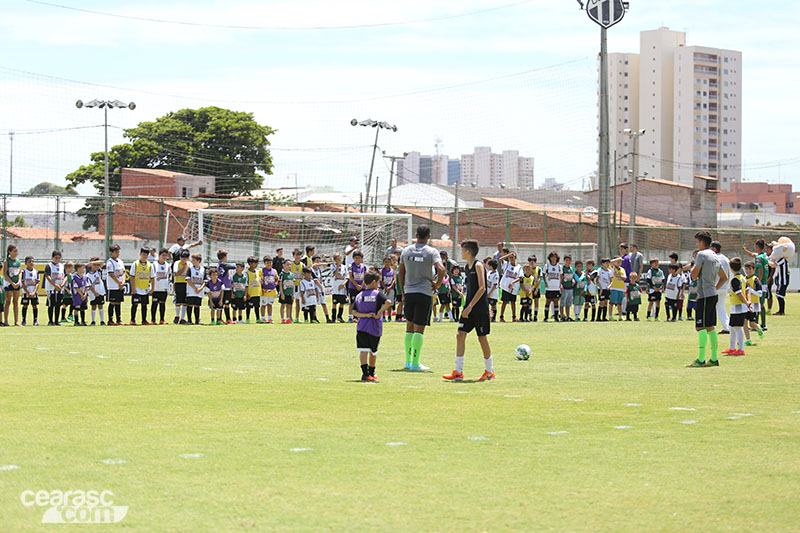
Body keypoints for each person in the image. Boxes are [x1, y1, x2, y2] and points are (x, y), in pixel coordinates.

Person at [443, 239, 494, 381]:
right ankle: (458, 371)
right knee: (460, 335)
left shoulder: (478, 266)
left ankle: (489, 371)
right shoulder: (466, 267)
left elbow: (482, 288)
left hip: (479, 308)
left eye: (462, 249)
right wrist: (467, 306)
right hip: (468, 308)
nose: (461, 252)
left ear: (468, 251)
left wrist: (470, 306)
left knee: (481, 338)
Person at [398, 225, 445, 371]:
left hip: (410, 292)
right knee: (419, 329)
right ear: (429, 236)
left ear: (416, 235)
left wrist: (404, 290)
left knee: (409, 328)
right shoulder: (432, 251)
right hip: (424, 293)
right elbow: (442, 269)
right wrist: (437, 284)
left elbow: (401, 272)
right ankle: (415, 362)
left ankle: (407, 361)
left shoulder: (406, 250)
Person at [687, 231, 727, 368]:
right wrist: (714, 288)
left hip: (704, 296)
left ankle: (701, 359)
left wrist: (693, 265)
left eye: (697, 242)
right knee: (710, 326)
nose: (697, 245)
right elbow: (724, 277)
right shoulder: (715, 256)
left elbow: (693, 276)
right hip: (712, 295)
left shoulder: (701, 254)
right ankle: (714, 358)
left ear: (702, 242)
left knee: (700, 327)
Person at [351, 271, 392, 382]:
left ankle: (365, 374)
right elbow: (388, 302)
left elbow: (353, 312)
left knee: (363, 350)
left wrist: (365, 315)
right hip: (374, 327)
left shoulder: (359, 295)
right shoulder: (376, 293)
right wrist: (379, 312)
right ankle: (372, 372)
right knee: (373, 351)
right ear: (374, 282)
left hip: (361, 326)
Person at [721, 257, 750, 357]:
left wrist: (747, 303)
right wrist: (748, 301)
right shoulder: (743, 278)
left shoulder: (735, 280)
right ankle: (732, 348)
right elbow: (747, 290)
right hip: (736, 307)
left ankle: (741, 349)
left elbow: (740, 294)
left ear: (731, 268)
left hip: (739, 307)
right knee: (731, 327)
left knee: (737, 328)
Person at [742, 239, 769, 330]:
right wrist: (745, 250)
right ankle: (757, 324)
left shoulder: (759, 258)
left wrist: (758, 283)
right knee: (759, 303)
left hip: (761, 282)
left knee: (760, 303)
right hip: (764, 282)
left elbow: (760, 271)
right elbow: (752, 254)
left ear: (757, 246)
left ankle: (761, 325)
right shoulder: (764, 255)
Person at [129, 247, 155, 325]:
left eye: (146, 254)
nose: (145, 256)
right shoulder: (135, 264)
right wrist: (133, 288)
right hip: (137, 288)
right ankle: (132, 320)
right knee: (135, 304)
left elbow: (152, 278)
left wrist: (152, 288)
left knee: (144, 305)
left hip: (145, 289)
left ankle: (144, 320)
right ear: (140, 254)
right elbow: (132, 276)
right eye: (143, 254)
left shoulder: (150, 265)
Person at [710, 241, 731, 334]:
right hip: (724, 286)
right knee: (721, 307)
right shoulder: (726, 258)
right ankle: (727, 327)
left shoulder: (714, 258)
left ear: (714, 248)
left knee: (710, 307)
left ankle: (710, 327)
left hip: (716, 285)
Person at [743, 261, 764, 346]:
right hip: (746, 305)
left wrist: (751, 291)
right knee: (744, 322)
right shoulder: (743, 279)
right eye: (746, 269)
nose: (748, 271)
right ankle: (748, 340)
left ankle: (758, 328)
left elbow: (760, 293)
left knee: (752, 324)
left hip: (754, 305)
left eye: (750, 269)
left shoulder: (756, 280)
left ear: (754, 270)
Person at [499, 251, 523, 322]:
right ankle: (501, 317)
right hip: (506, 287)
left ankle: (514, 317)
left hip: (513, 288)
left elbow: (520, 277)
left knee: (513, 302)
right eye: (510, 258)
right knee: (505, 302)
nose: (511, 259)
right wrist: (508, 254)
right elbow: (500, 259)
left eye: (512, 257)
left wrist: (513, 282)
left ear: (515, 258)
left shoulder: (519, 267)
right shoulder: (507, 264)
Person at [149, 249, 170, 325]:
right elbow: (151, 276)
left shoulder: (167, 265)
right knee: (154, 304)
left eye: (166, 255)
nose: (164, 257)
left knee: (162, 304)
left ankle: (162, 319)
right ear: (159, 255)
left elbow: (169, 275)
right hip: (156, 288)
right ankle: (153, 320)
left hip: (164, 288)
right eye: (163, 255)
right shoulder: (154, 265)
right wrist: (152, 287)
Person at [105, 244, 125, 326]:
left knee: (118, 302)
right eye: (116, 252)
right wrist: (118, 282)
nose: (118, 254)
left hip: (120, 286)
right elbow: (111, 274)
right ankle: (110, 320)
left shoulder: (120, 261)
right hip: (113, 286)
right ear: (111, 253)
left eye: (118, 252)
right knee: (112, 302)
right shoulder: (110, 262)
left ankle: (119, 319)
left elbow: (123, 272)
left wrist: (123, 282)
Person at [44, 250, 65, 326]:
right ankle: (50, 321)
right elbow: (48, 276)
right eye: (56, 258)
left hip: (60, 289)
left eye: (59, 258)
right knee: (51, 305)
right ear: (52, 257)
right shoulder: (49, 266)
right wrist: (55, 285)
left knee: (58, 305)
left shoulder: (62, 266)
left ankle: (56, 320)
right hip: (51, 289)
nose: (58, 259)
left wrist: (61, 285)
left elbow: (65, 276)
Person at [3, 244, 22, 326]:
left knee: (16, 302)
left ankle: (16, 321)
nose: (16, 253)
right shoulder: (7, 261)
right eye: (14, 251)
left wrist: (19, 281)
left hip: (17, 283)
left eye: (17, 251)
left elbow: (20, 271)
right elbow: (5, 274)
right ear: (9, 252)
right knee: (8, 302)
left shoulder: (18, 261)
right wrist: (12, 283)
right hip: (9, 283)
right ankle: (6, 321)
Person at [185, 253, 206, 325]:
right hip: (191, 291)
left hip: (199, 291)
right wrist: (195, 288)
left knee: (197, 306)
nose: (192, 261)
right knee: (190, 305)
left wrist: (200, 288)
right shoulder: (190, 269)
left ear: (198, 261)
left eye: (194, 260)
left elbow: (205, 281)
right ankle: (189, 320)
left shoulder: (203, 270)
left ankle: (197, 320)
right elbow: (188, 279)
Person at [771, 240, 790, 316]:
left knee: (779, 296)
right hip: (781, 280)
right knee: (779, 295)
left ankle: (782, 311)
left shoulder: (782, 259)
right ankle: (781, 310)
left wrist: (767, 260)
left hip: (783, 281)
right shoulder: (782, 259)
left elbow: (773, 265)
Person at [86, 256, 106, 326]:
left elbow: (102, 263)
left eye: (97, 265)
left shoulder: (99, 271)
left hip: (100, 291)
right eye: (94, 265)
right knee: (93, 306)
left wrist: (94, 262)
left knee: (100, 306)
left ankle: (102, 320)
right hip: (93, 293)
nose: (96, 266)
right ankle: (93, 321)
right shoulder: (88, 275)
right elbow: (89, 285)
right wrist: (94, 293)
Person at [347, 250, 366, 322]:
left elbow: (365, 276)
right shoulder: (351, 266)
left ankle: (359, 317)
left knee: (361, 302)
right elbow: (351, 277)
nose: (357, 259)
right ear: (353, 258)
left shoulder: (363, 266)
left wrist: (361, 285)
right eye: (356, 258)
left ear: (361, 259)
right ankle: (350, 317)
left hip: (362, 287)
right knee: (352, 302)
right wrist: (357, 285)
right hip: (353, 287)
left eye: (359, 258)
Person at [20, 256, 40, 326]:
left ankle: (35, 320)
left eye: (32, 261)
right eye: (29, 261)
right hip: (26, 293)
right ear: (26, 263)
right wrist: (28, 292)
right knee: (25, 305)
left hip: (34, 293)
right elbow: (22, 283)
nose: (31, 263)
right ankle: (23, 320)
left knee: (34, 306)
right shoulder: (23, 272)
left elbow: (37, 283)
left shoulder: (36, 272)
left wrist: (34, 292)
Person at [217, 250, 235, 324]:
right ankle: (219, 318)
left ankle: (228, 319)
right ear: (224, 257)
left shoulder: (221, 265)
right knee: (222, 303)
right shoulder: (222, 265)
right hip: (223, 287)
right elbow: (233, 267)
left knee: (227, 303)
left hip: (227, 287)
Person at [172, 249, 190, 324]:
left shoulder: (189, 264)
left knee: (185, 302)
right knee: (178, 301)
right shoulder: (177, 263)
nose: (183, 260)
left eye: (185, 258)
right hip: (178, 283)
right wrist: (184, 268)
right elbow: (176, 273)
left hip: (186, 284)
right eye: (182, 258)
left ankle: (182, 318)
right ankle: (177, 316)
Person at [543, 251, 562, 322]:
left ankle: (556, 317)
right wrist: (545, 282)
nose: (553, 258)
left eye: (555, 257)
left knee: (556, 302)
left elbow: (561, 275)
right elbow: (544, 274)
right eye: (552, 257)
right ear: (550, 258)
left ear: (557, 258)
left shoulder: (559, 267)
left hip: (556, 287)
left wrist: (560, 284)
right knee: (548, 301)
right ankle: (546, 317)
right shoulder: (547, 266)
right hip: (549, 287)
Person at [330, 252, 348, 323]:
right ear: (335, 260)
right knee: (334, 303)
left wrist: (343, 284)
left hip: (342, 288)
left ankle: (339, 316)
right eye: (338, 259)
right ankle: (333, 318)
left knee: (342, 303)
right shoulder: (333, 266)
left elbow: (347, 277)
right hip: (335, 289)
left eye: (340, 258)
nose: (340, 260)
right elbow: (335, 274)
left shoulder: (345, 267)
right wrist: (337, 266)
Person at [288, 249, 305, 323]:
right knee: (291, 302)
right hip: (292, 286)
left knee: (298, 302)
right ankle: (290, 317)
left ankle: (297, 318)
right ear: (293, 255)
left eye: (299, 255)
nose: (297, 256)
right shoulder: (291, 264)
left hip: (299, 286)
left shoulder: (302, 265)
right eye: (296, 255)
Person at [260, 256, 278, 324]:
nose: (269, 264)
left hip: (272, 291)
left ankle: (270, 318)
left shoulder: (274, 271)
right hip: (264, 291)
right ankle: (263, 318)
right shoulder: (261, 271)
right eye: (267, 263)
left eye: (270, 262)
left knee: (270, 304)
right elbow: (260, 280)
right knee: (263, 305)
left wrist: (275, 283)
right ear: (264, 263)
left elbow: (276, 278)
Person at [245, 256, 262, 324]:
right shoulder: (247, 273)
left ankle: (258, 318)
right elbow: (246, 284)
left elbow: (259, 281)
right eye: (254, 263)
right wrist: (246, 294)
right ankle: (247, 319)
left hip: (257, 293)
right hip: (250, 293)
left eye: (257, 263)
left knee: (257, 307)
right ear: (250, 263)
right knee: (248, 307)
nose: (256, 264)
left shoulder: (258, 272)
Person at [609, 257, 626, 321]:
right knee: (612, 302)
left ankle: (620, 316)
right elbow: (611, 262)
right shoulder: (612, 268)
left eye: (620, 262)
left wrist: (618, 276)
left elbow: (624, 278)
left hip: (621, 288)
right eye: (618, 262)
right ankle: (610, 316)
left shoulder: (622, 269)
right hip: (614, 287)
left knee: (619, 303)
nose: (619, 263)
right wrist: (618, 258)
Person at [379, 256, 396, 322]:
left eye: (388, 262)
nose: (387, 263)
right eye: (385, 262)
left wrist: (390, 287)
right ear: (383, 263)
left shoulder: (392, 270)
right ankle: (383, 317)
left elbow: (394, 280)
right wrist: (386, 288)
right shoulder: (381, 271)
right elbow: (381, 280)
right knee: (383, 303)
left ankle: (389, 317)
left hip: (391, 289)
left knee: (390, 303)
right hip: (383, 289)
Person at [559, 255, 575, 321]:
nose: (568, 262)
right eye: (566, 260)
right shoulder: (562, 268)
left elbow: (572, 276)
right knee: (562, 302)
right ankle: (562, 316)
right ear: (564, 261)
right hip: (564, 288)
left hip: (570, 288)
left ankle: (568, 316)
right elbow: (561, 277)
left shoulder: (571, 268)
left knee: (568, 303)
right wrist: (560, 284)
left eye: (569, 260)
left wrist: (573, 280)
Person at [528, 255, 542, 321]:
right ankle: (530, 315)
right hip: (530, 288)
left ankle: (535, 316)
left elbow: (539, 279)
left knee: (536, 301)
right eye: (530, 262)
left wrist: (536, 289)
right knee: (530, 302)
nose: (531, 263)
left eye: (533, 262)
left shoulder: (538, 269)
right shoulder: (528, 269)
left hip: (536, 288)